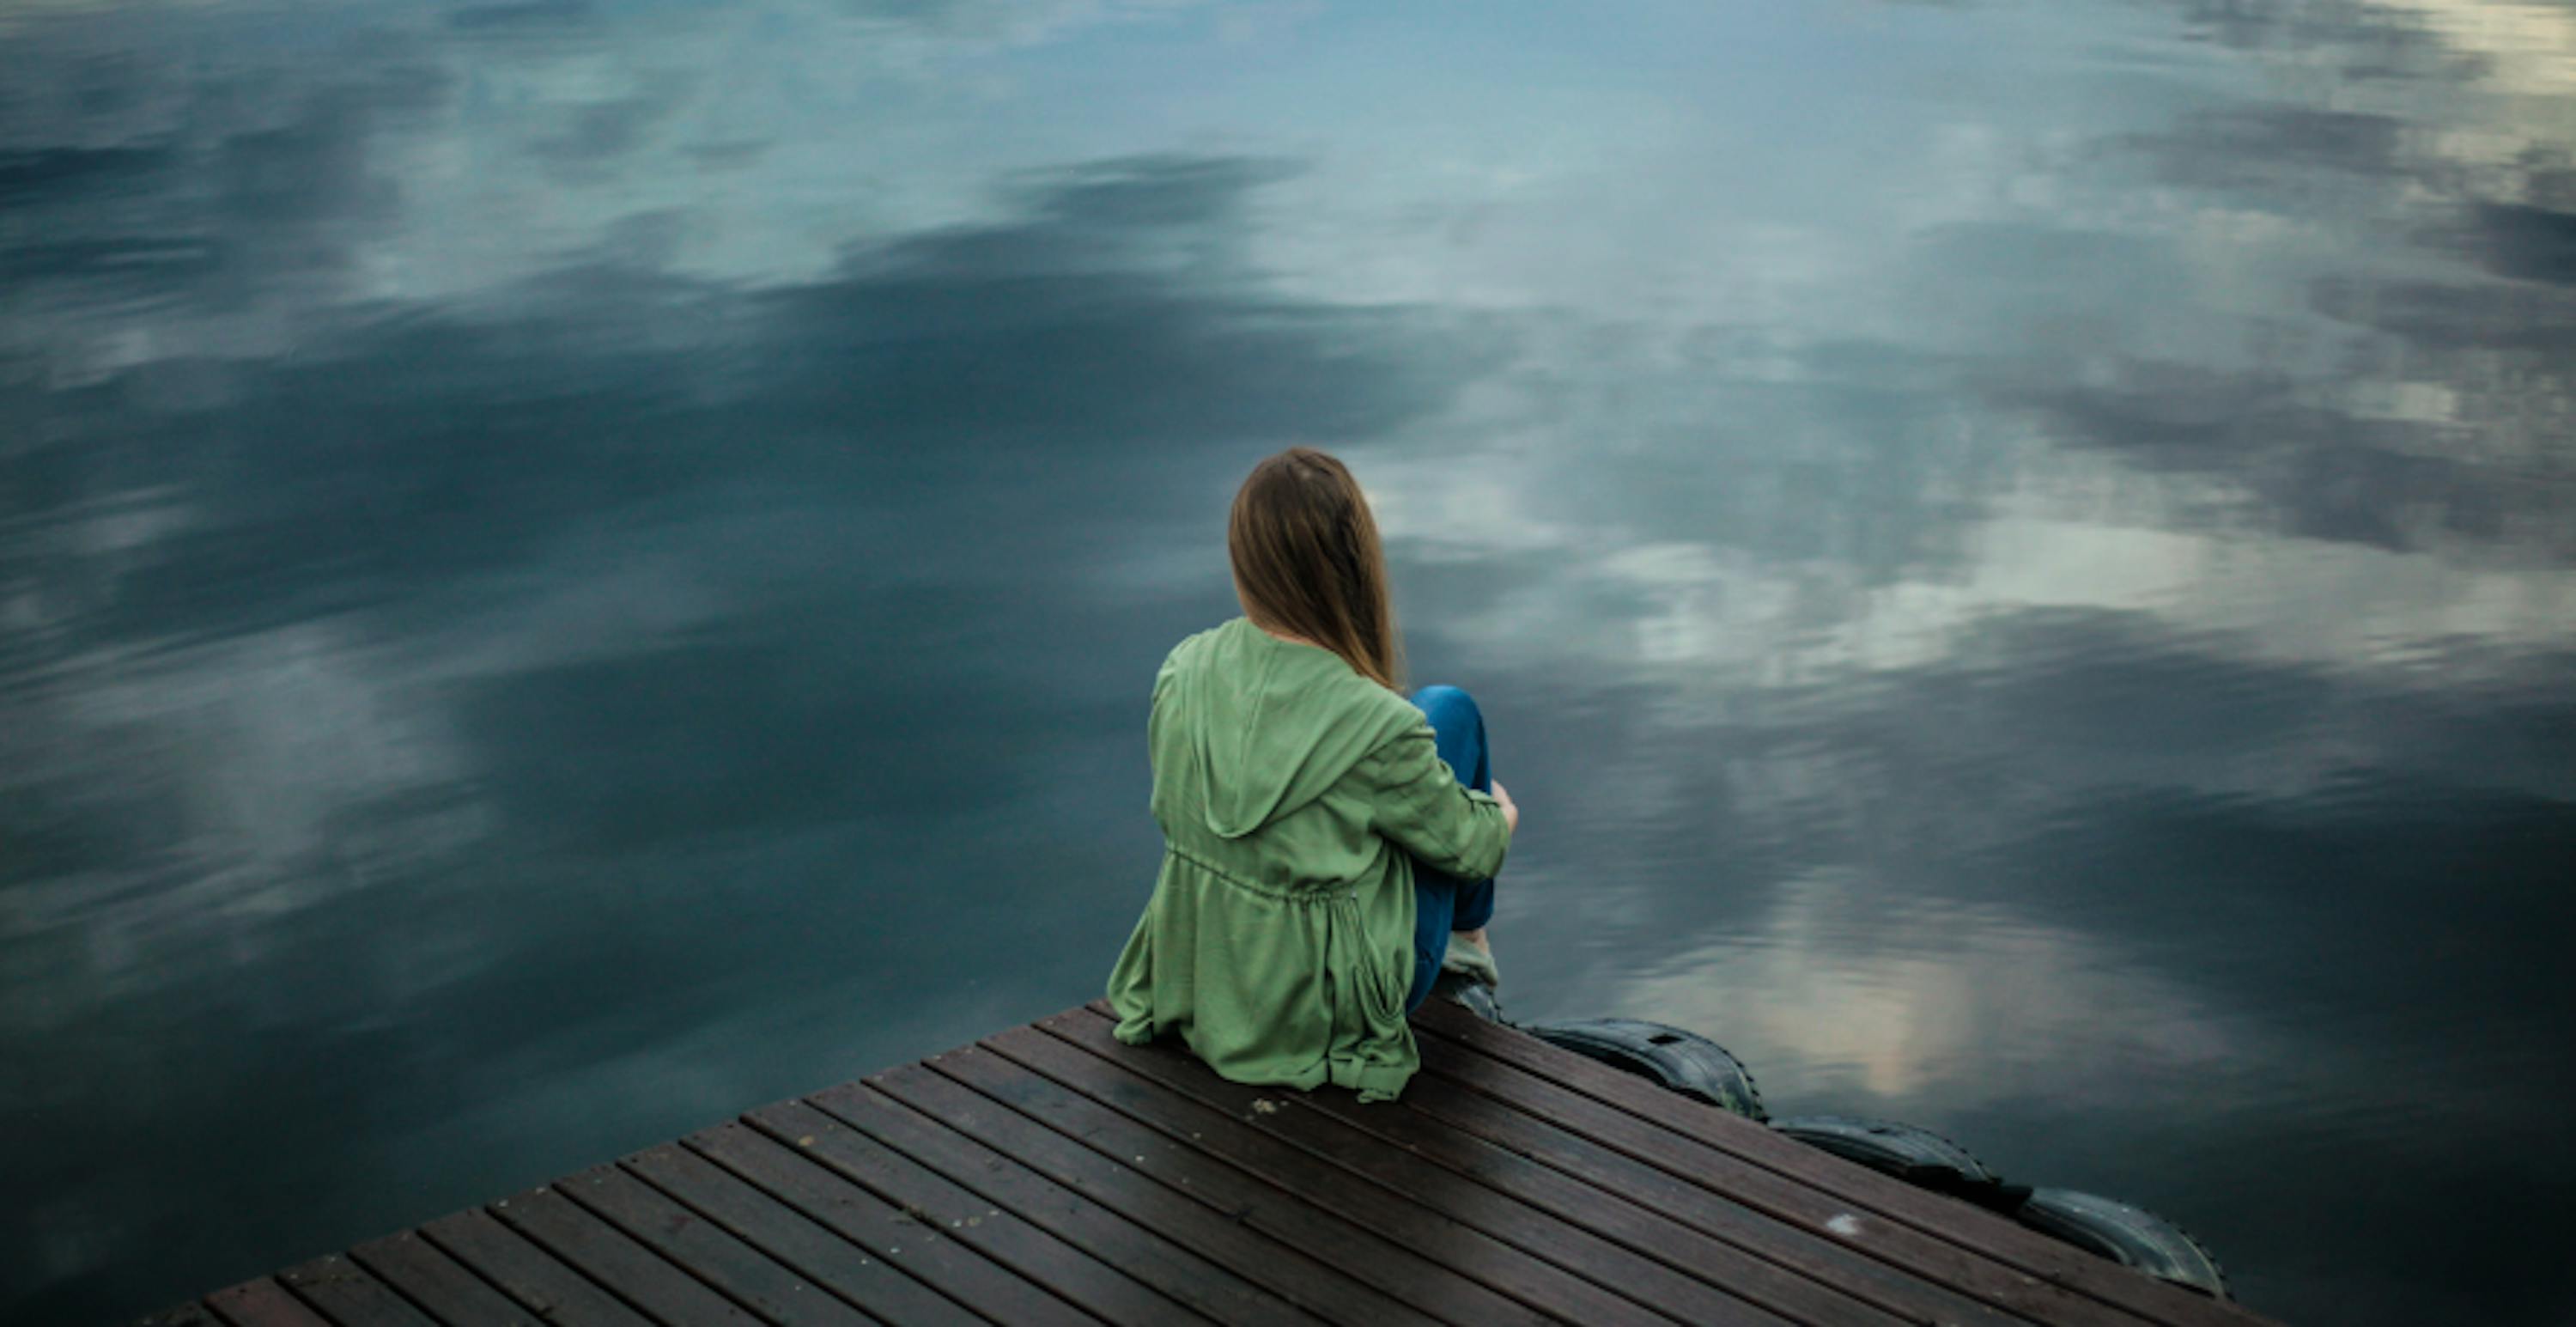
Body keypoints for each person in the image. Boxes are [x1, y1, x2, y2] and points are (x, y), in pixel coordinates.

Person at [1104, 447, 1519, 1102]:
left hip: (1211, 981)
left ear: (1245, 561)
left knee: (1426, 727)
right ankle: (1467, 950)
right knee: (1450, 711)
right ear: (1353, 567)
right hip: (1324, 1012)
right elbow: (1479, 848)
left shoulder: (1182, 670)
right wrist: (1498, 812)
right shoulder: (1380, 726)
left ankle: (1461, 945)